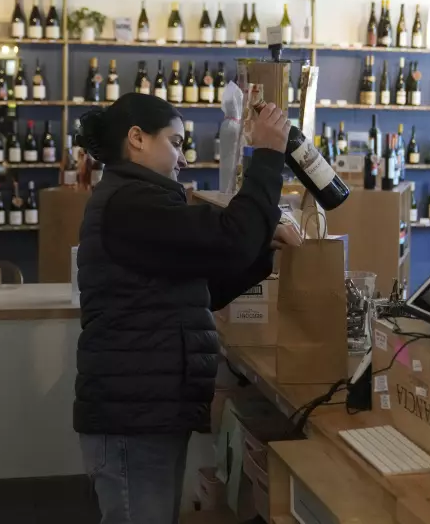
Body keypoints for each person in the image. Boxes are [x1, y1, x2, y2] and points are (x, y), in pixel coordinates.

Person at [74, 93, 300, 524]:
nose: (182, 158)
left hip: (146, 409)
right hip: (133, 415)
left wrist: (261, 249)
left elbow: (202, 290)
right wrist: (269, 156)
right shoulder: (131, 203)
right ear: (137, 138)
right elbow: (231, 239)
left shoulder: (136, 200)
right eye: (175, 142)